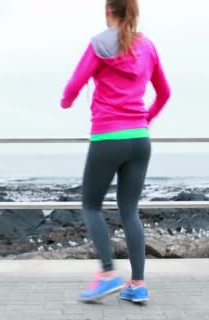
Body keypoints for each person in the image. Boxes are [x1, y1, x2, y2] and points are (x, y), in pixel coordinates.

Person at [60, 0, 171, 303]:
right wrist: (144, 120)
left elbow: (73, 86)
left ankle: (108, 274)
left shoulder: (99, 44)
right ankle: (138, 284)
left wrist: (65, 102)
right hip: (140, 139)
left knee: (92, 206)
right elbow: (164, 93)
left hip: (108, 136)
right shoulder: (147, 46)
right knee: (129, 210)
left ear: (109, 10)